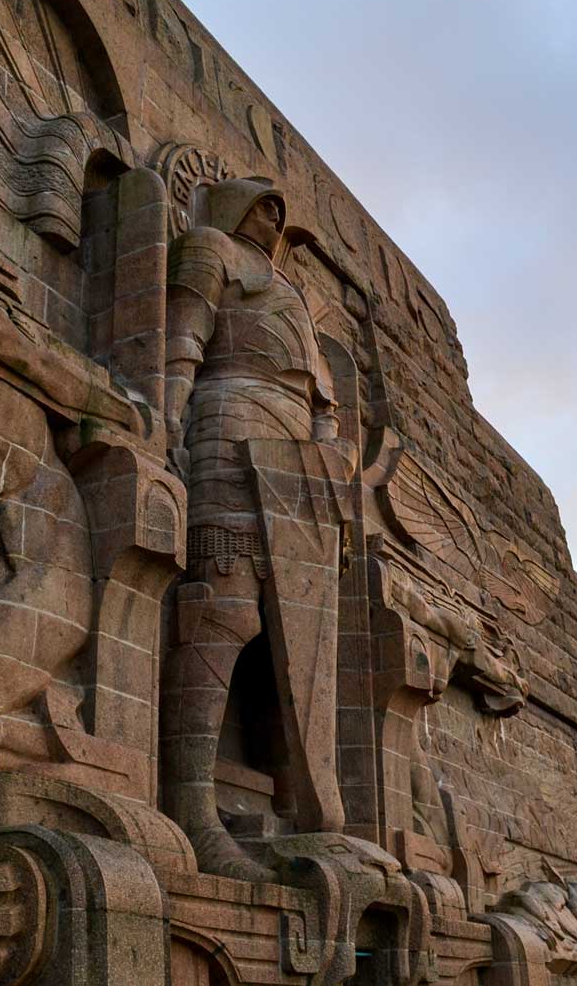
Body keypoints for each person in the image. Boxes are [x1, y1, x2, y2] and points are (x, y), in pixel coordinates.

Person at [160, 177, 352, 878]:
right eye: (262, 201)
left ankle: (309, 812)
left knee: (298, 636)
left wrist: (330, 455)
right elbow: (185, 333)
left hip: (301, 456)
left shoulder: (294, 297)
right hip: (227, 419)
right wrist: (166, 409)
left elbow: (321, 395)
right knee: (225, 603)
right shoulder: (209, 248)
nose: (275, 212)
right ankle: (189, 806)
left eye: (281, 205)